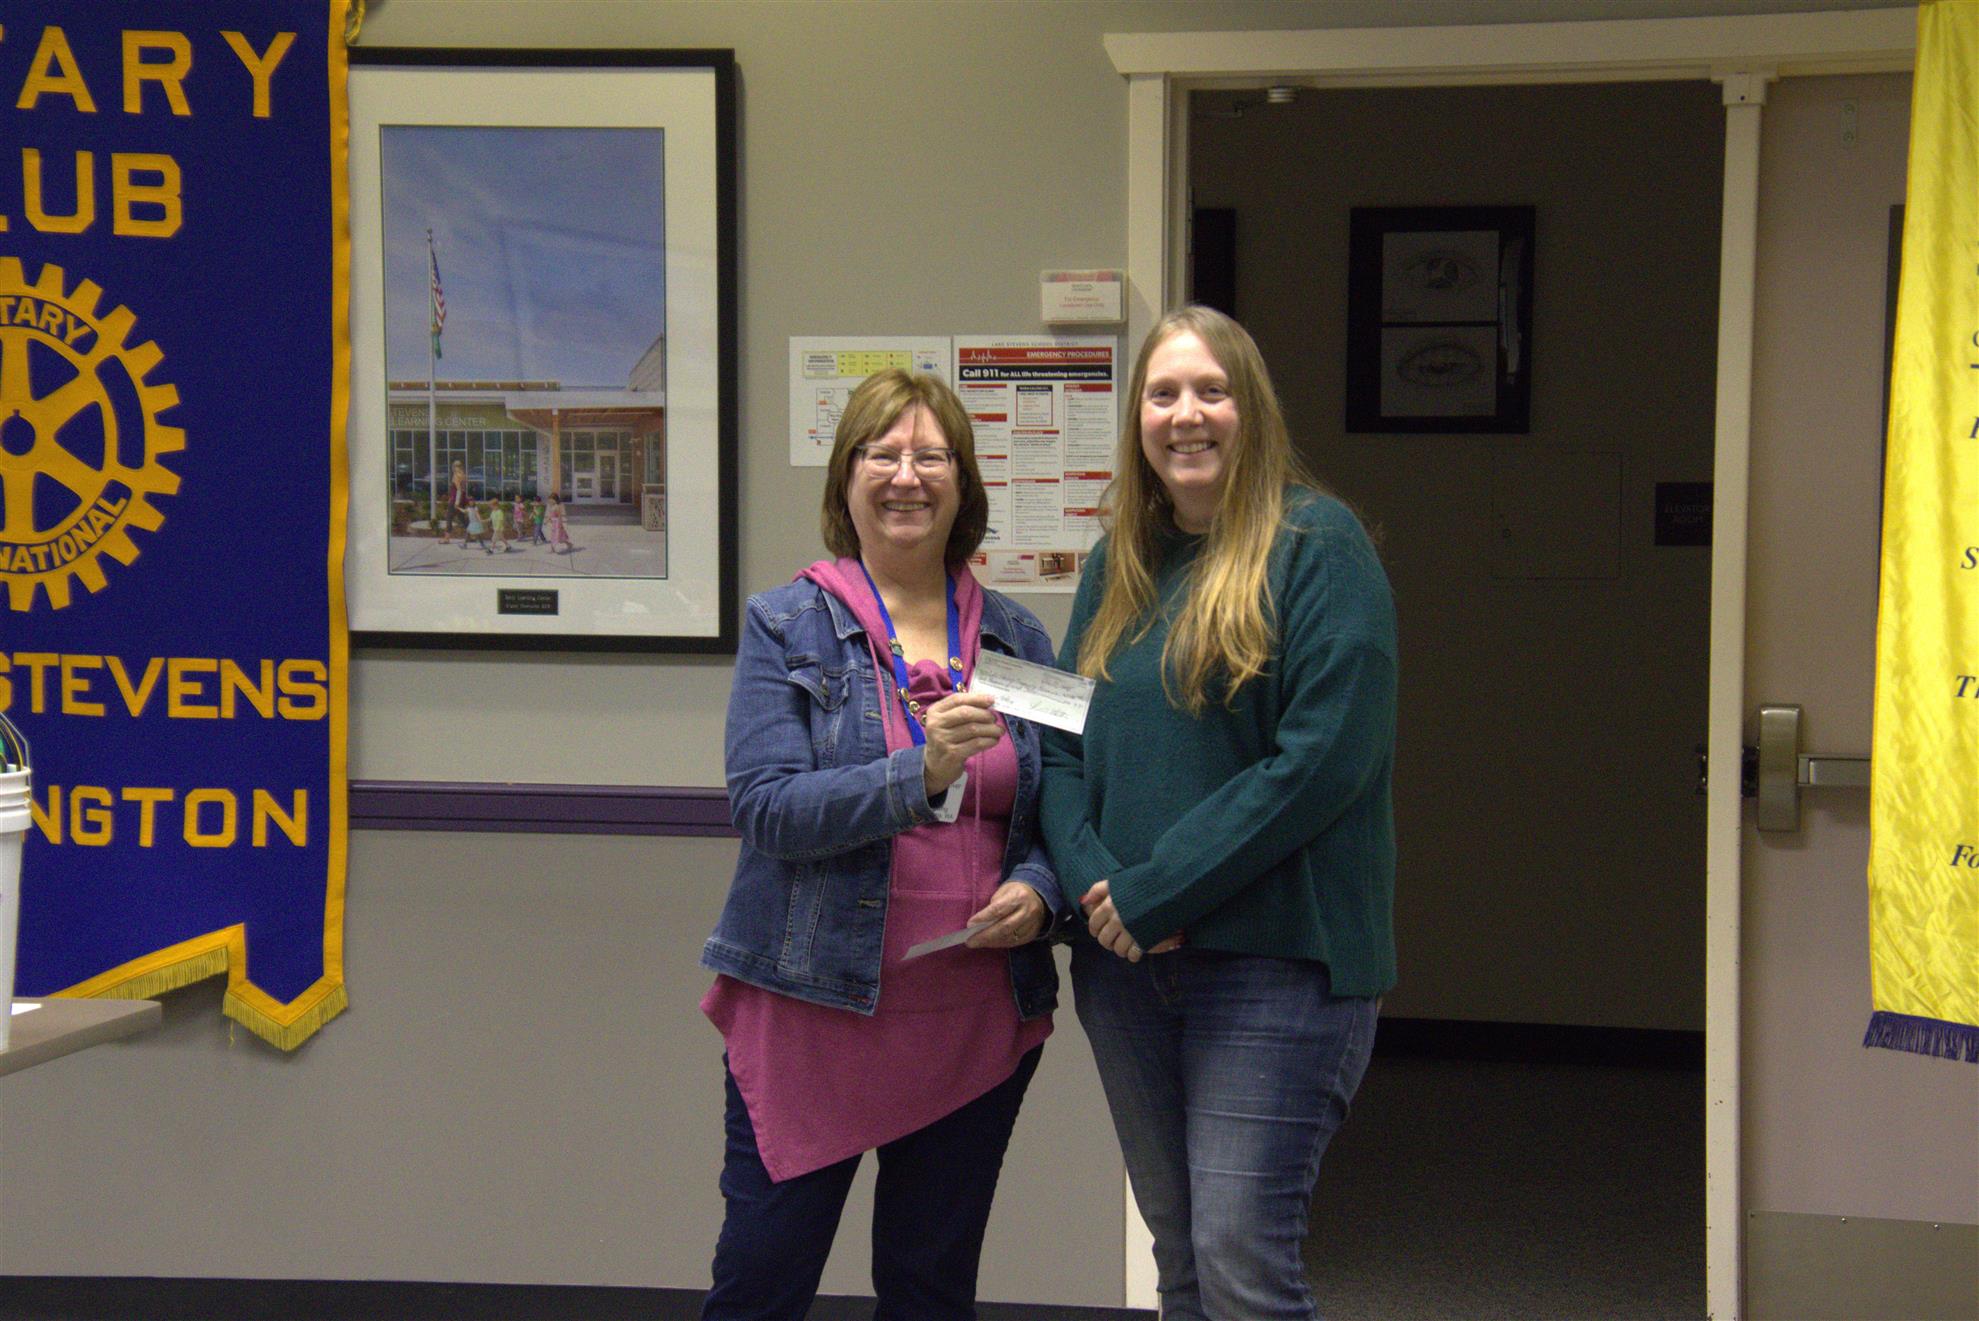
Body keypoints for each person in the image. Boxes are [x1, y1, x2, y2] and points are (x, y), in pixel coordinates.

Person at [1040, 306, 1398, 1321]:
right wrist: (1096, 887)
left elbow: (1321, 762)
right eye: (1162, 394)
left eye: (1211, 391)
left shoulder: (1317, 547)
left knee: (1242, 1261)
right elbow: (1059, 744)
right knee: (1182, 1259)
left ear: (1253, 410)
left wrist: (1155, 891)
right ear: (1137, 420)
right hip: (1123, 970)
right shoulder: (1118, 563)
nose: (1185, 414)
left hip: (1276, 967)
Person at [699, 369, 1069, 1321]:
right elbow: (766, 808)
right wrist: (922, 772)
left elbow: (1064, 809)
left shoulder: (1020, 639)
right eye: (882, 453)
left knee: (929, 1289)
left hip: (971, 1019)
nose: (907, 475)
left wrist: (1039, 888)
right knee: (762, 1283)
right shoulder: (785, 624)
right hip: (813, 1012)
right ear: (846, 478)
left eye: (931, 455)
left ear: (962, 483)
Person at [440, 460, 470, 545]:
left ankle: (446, 538)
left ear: (454, 467)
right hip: (462, 500)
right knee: (462, 518)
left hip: (455, 500)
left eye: (454, 466)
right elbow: (463, 489)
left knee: (449, 517)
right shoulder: (463, 476)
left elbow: (459, 490)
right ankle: (471, 535)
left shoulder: (456, 476)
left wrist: (456, 502)